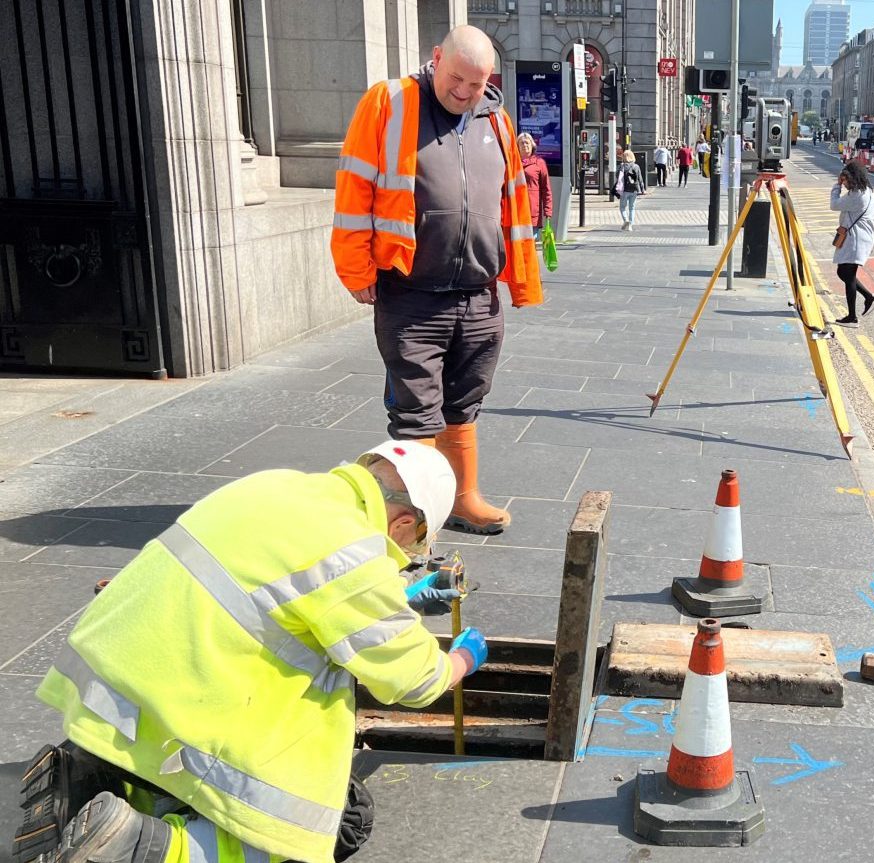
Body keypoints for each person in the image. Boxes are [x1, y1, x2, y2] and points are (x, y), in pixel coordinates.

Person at [13, 442, 491, 863]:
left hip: (112, 692)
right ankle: (135, 845)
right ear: (404, 521)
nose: (403, 554)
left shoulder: (275, 485)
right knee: (318, 827)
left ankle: (96, 780)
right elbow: (414, 681)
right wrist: (463, 657)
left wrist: (400, 594)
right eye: (411, 545)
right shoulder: (353, 555)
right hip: (176, 719)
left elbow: (280, 589)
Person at [332, 25, 543, 537]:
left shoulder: (495, 120)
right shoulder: (391, 102)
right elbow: (355, 186)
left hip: (477, 294)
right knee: (415, 412)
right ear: (436, 58)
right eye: (457, 79)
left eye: (478, 84)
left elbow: (512, 203)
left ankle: (463, 498)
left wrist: (518, 280)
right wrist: (356, 269)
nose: (465, 93)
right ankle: (411, 516)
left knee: (465, 402)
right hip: (411, 293)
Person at [830, 160, 874, 327]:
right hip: (860, 237)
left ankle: (852, 317)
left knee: (847, 274)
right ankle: (868, 298)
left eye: (845, 180)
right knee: (844, 272)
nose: (844, 184)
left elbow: (834, 205)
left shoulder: (857, 195)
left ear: (853, 178)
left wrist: (836, 187)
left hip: (855, 239)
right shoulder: (868, 192)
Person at [518, 132, 552, 239]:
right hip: (516, 210)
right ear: (517, 147)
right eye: (521, 143)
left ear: (532, 145)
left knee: (530, 245)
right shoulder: (513, 163)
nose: (525, 145)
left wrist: (548, 212)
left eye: (527, 143)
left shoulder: (539, 163)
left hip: (532, 212)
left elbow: (546, 189)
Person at [616, 149, 646, 230]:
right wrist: (643, 190)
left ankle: (626, 220)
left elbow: (617, 177)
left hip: (624, 190)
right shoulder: (636, 166)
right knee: (632, 208)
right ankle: (630, 225)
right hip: (634, 189)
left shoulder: (621, 166)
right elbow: (640, 178)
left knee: (622, 207)